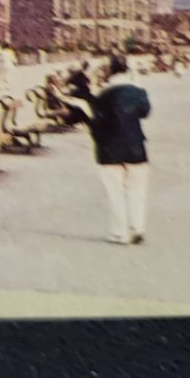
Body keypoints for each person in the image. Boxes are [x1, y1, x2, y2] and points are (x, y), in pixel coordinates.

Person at [65, 55, 152, 245]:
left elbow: (98, 120)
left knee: (116, 193)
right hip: (136, 147)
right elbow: (145, 112)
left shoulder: (103, 95)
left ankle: (119, 233)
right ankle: (137, 227)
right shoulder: (138, 91)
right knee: (137, 189)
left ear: (110, 72)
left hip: (109, 149)